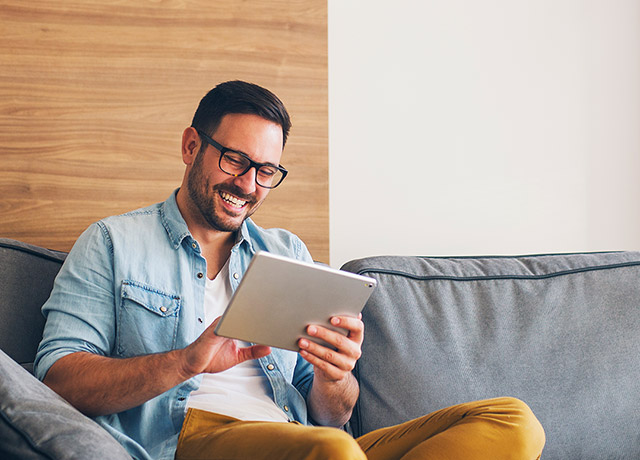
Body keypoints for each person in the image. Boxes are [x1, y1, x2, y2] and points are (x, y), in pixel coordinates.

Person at [35, 80, 545, 460]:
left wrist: (334, 375)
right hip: (189, 438)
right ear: (192, 146)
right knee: (333, 453)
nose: (249, 185)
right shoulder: (113, 242)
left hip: (305, 438)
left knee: (512, 422)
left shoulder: (285, 253)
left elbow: (333, 414)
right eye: (235, 160)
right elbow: (56, 380)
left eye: (266, 171)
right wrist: (187, 362)